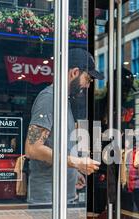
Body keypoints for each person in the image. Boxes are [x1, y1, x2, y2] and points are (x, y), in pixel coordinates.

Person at [25, 48, 103, 205]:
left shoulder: (63, 101)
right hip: (48, 200)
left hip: (62, 196)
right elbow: (32, 148)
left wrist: (73, 173)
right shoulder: (49, 99)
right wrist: (76, 162)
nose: (88, 85)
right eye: (87, 79)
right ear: (74, 72)